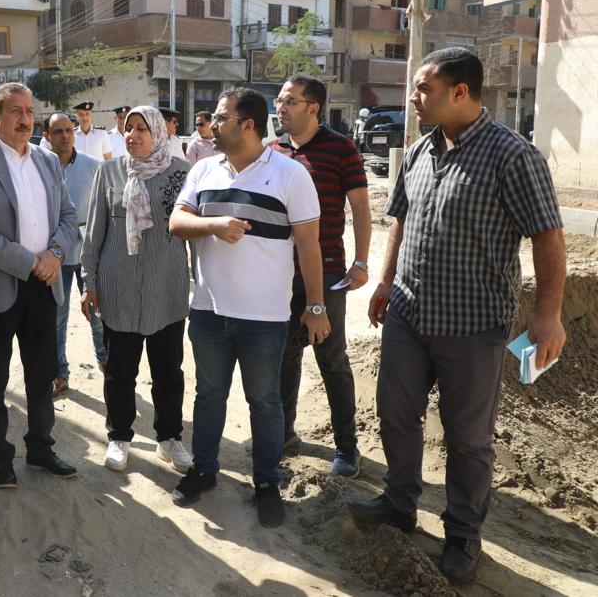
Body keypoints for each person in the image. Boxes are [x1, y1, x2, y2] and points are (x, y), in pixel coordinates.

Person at [348, 48, 566, 583]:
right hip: (408, 312)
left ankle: (463, 535)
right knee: (395, 412)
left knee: (468, 437)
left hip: (473, 325)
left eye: (424, 89)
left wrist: (548, 315)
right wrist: (385, 281)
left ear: (460, 92)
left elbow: (548, 235)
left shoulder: (512, 156)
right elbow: (401, 220)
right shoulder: (419, 151)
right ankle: (399, 503)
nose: (414, 98)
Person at [168, 87, 328, 528]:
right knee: (209, 396)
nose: (212, 125)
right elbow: (177, 221)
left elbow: (309, 246)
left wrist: (315, 306)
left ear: (248, 125)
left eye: (221, 118)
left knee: (265, 401)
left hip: (265, 318)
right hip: (209, 311)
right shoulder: (204, 169)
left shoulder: (290, 175)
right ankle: (204, 470)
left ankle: (266, 482)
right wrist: (214, 224)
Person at [0, 82, 80, 488]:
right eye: (15, 111)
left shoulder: (47, 160)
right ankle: (0, 458)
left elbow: (68, 216)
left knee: (42, 375)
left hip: (44, 285)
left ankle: (41, 449)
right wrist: (31, 262)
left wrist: (55, 254)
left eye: (29, 111)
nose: (25, 119)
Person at [81, 105, 193, 474]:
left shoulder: (182, 173)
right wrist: (89, 282)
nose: (133, 135)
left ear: (158, 132)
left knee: (168, 372)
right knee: (119, 372)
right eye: (129, 128)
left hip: (166, 289)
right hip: (119, 290)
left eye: (142, 129)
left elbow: (194, 234)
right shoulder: (110, 172)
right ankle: (119, 436)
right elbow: (94, 233)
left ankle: (169, 438)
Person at [273, 74, 371, 478]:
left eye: (290, 101)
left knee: (331, 357)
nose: (281, 108)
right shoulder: (275, 150)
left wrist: (360, 263)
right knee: (284, 355)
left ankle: (347, 446)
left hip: (327, 271)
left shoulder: (341, 148)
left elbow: (361, 209)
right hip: (280, 273)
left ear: (313, 108)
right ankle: (283, 433)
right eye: (279, 100)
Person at [43, 112, 106, 397]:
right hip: (53, 255)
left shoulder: (94, 167)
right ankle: (59, 372)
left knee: (98, 313)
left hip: (88, 253)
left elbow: (105, 209)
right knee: (57, 317)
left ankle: (106, 362)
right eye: (58, 131)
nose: (65, 136)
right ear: (47, 136)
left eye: (69, 130)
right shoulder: (39, 167)